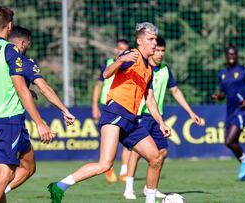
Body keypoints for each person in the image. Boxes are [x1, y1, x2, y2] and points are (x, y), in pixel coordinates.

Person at [48, 22, 171, 203]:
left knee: (156, 158)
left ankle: (150, 200)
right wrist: (120, 60)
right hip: (115, 112)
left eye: (155, 39)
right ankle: (60, 186)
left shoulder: (148, 70)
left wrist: (161, 122)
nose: (154, 43)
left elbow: (150, 100)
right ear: (139, 41)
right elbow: (106, 74)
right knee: (105, 164)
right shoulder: (131, 56)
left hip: (132, 119)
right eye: (150, 39)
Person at [0, 25, 75, 203]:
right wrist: (63, 111)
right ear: (24, 43)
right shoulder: (20, 59)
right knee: (11, 172)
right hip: (7, 122)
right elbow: (44, 89)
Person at [0, 6, 54, 203]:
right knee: (5, 175)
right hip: (6, 118)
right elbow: (21, 89)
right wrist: (39, 122)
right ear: (10, 25)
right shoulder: (10, 50)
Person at [123, 36, 202, 200]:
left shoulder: (165, 69)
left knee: (163, 152)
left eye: (162, 50)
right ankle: (129, 188)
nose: (159, 53)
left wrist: (190, 112)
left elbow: (176, 92)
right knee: (136, 153)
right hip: (140, 115)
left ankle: (149, 187)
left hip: (157, 117)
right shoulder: (142, 67)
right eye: (157, 50)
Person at [211, 45, 245, 181]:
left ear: (237, 55)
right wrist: (219, 96)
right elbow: (223, 93)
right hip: (230, 111)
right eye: (229, 54)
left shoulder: (244, 72)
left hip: (243, 110)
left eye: (234, 54)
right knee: (232, 142)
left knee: (229, 141)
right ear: (226, 56)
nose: (231, 57)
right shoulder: (222, 73)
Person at [92, 39, 131, 183]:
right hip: (107, 105)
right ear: (116, 49)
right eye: (120, 49)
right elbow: (98, 86)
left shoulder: (131, 64)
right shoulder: (107, 65)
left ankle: (124, 171)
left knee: (128, 140)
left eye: (125, 49)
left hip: (122, 105)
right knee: (109, 141)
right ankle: (108, 168)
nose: (122, 52)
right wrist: (94, 106)